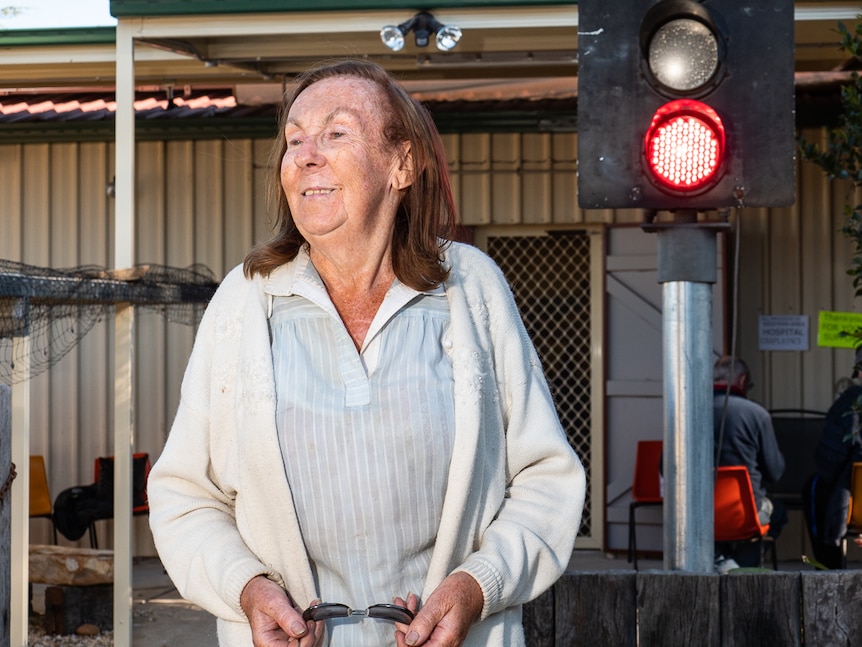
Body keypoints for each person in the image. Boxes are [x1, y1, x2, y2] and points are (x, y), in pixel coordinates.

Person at [147, 58, 586, 647]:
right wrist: (248, 588)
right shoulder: (245, 301)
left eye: (335, 133)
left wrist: (478, 585)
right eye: (294, 139)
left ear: (401, 164)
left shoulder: (470, 287)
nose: (305, 155)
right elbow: (184, 495)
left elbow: (547, 480)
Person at [713, 355, 786, 568]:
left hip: (697, 515)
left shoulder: (687, 413)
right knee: (778, 513)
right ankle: (742, 564)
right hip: (744, 513)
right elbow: (775, 472)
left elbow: (665, 467)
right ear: (743, 381)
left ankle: (720, 558)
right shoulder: (756, 414)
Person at [803, 346, 862, 569]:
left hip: (855, 503)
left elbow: (829, 460)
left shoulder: (850, 402)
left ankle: (828, 571)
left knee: (815, 488)